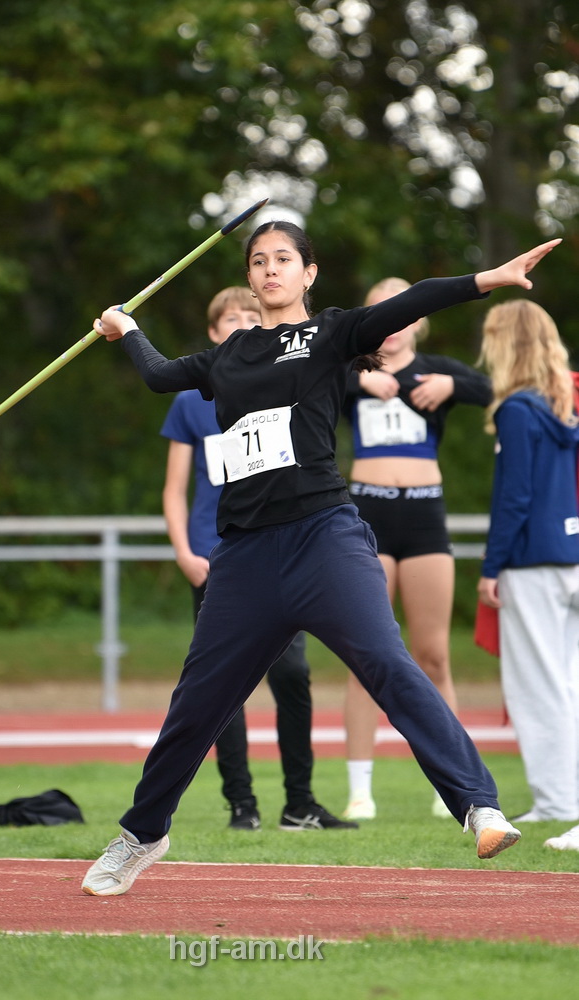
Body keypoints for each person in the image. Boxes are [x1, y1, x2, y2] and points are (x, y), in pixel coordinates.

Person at [81, 219, 559, 896]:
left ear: (308, 273)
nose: (270, 269)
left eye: (283, 259)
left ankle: (477, 804)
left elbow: (413, 301)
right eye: (258, 261)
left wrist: (487, 279)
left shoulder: (332, 333)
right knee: (196, 704)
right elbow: (161, 377)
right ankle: (142, 833)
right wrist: (124, 330)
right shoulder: (229, 356)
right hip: (243, 554)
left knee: (388, 665)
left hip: (323, 540)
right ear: (249, 278)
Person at [161, 285, 355, 831]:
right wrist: (184, 550)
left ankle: (300, 802)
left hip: (281, 543)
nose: (243, 323)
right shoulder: (190, 400)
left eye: (251, 315)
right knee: (225, 683)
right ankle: (241, 804)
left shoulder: (283, 378)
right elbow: (175, 488)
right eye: (231, 318)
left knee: (292, 672)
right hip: (216, 552)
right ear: (213, 331)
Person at [341, 277, 492, 821]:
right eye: (383, 308)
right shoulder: (350, 366)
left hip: (426, 516)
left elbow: (495, 390)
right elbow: (305, 387)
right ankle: (360, 790)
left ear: (419, 319)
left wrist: (452, 390)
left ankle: (451, 783)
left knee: (432, 655)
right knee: (365, 656)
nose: (395, 320)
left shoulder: (439, 370)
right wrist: (363, 386)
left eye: (403, 310)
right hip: (367, 515)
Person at [476, 299, 579, 841]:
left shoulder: (517, 409)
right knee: (569, 684)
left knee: (540, 688)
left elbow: (514, 497)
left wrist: (492, 566)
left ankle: (558, 798)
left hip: (533, 562)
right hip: (571, 554)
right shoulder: (563, 404)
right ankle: (564, 797)